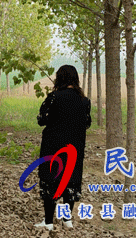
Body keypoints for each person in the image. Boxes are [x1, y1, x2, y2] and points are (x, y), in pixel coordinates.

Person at [34, 65, 91, 230]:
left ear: (60, 78)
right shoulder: (84, 101)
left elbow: (41, 119)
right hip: (74, 147)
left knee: (51, 180)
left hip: (53, 146)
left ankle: (49, 222)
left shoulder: (53, 97)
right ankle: (67, 220)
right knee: (71, 180)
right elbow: (86, 123)